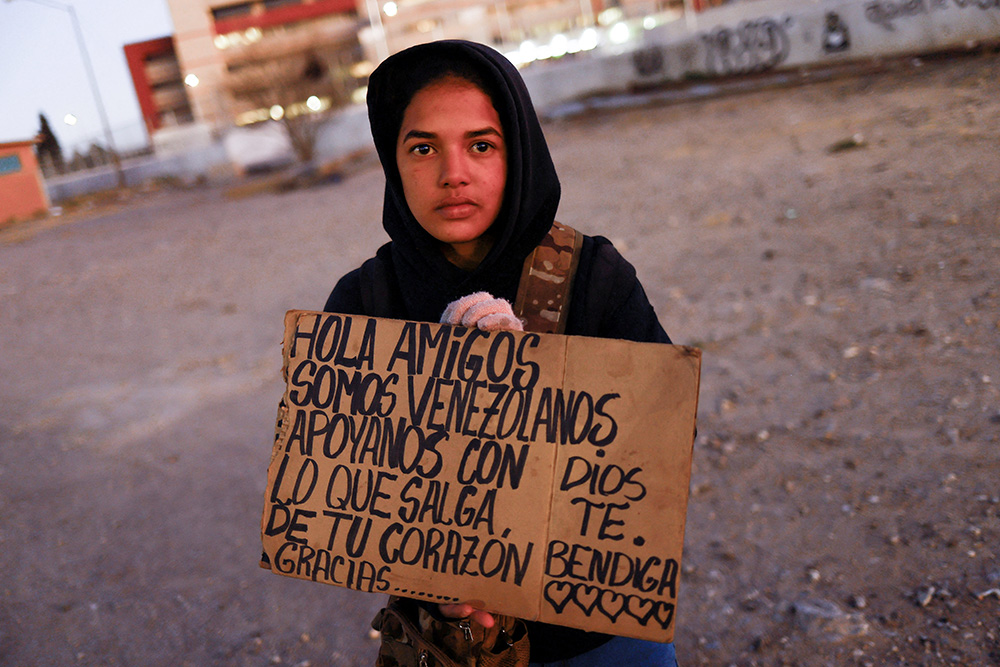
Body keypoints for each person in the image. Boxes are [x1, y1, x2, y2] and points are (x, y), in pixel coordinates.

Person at [324, 39, 678, 667]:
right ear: (393, 162)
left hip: (596, 636)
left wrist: (532, 389)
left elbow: (657, 455)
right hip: (446, 642)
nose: (452, 172)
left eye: (480, 145)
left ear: (518, 153)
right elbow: (339, 486)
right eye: (423, 147)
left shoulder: (592, 275)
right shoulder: (364, 301)